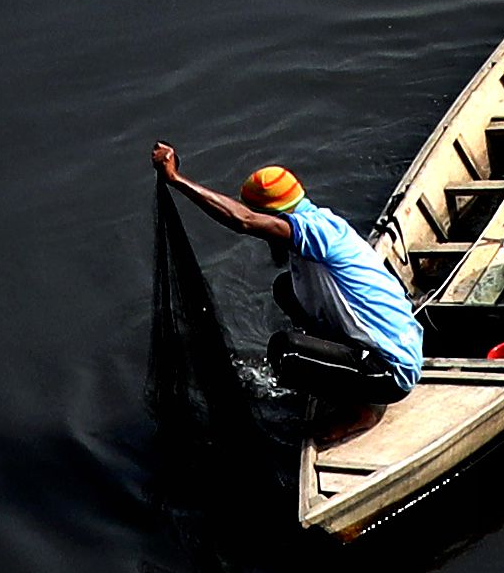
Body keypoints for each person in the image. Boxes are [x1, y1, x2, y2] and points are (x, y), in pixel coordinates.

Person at [152, 145, 418, 402]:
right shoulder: (320, 220)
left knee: (285, 351)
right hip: (390, 345)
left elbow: (243, 221)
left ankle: (361, 410)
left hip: (391, 372)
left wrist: (175, 179)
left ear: (273, 216)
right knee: (286, 288)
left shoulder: (316, 233)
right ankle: (333, 360)